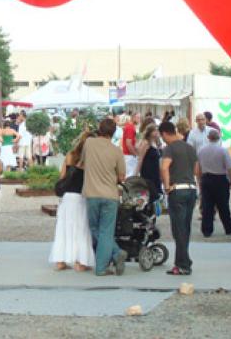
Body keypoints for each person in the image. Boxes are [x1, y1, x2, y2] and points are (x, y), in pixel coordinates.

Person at [80, 118, 127, 276]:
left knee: (94, 228)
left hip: (91, 193)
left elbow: (83, 162)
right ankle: (111, 258)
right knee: (106, 231)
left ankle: (113, 256)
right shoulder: (117, 151)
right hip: (110, 195)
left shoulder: (89, 144)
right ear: (113, 133)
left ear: (99, 129)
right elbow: (122, 176)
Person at [49, 131, 96, 272]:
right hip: (80, 197)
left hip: (67, 197)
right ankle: (80, 261)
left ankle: (61, 260)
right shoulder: (90, 159)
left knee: (63, 228)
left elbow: (62, 176)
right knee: (81, 229)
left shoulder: (70, 155)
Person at [160, 121, 200, 276]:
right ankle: (182, 261)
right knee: (186, 228)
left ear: (164, 134)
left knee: (178, 229)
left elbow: (164, 167)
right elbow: (196, 170)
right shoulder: (190, 148)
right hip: (191, 189)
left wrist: (167, 186)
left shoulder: (169, 149)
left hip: (177, 191)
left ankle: (183, 264)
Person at [198, 128, 231, 237]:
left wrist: (200, 179)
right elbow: (229, 167)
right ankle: (229, 227)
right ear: (218, 138)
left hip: (206, 178)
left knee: (207, 205)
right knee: (223, 205)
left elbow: (198, 167)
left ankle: (207, 230)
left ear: (208, 138)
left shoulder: (201, 150)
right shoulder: (222, 150)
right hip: (220, 179)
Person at [137, 123, 162, 203]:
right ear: (149, 132)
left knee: (156, 194)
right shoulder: (146, 143)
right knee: (149, 193)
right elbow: (140, 159)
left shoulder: (157, 143)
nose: (156, 132)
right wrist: (136, 173)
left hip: (156, 172)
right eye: (154, 130)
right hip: (148, 172)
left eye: (157, 130)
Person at [121, 113, 140, 177]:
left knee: (130, 175)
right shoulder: (130, 128)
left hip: (128, 155)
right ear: (133, 117)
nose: (139, 120)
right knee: (130, 176)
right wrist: (135, 154)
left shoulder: (130, 126)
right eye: (138, 118)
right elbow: (128, 144)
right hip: (129, 156)